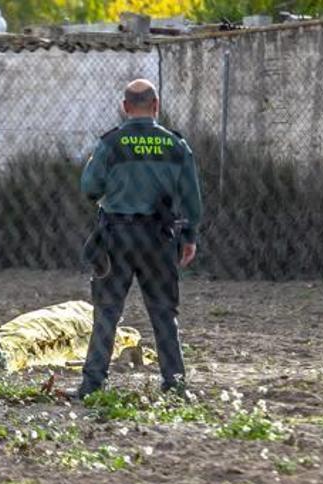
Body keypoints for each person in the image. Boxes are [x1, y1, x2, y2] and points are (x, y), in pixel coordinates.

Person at [78, 78, 202, 398]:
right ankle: (175, 386)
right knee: (163, 312)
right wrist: (189, 236)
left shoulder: (111, 143)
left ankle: (92, 385)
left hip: (115, 238)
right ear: (156, 106)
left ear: (125, 108)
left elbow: (90, 188)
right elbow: (191, 197)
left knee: (107, 311)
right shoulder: (176, 145)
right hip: (159, 239)